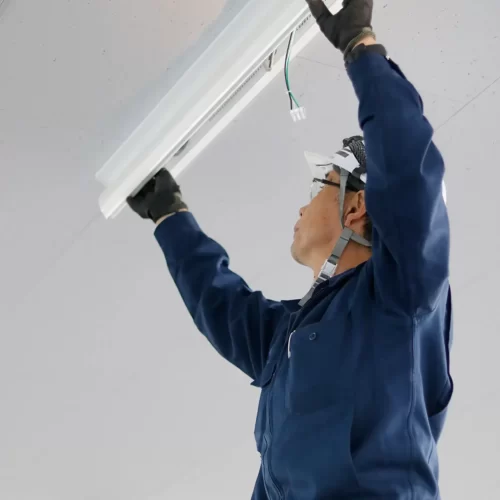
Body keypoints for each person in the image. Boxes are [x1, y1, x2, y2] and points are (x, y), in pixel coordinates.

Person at [128, 0, 454, 498]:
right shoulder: (290, 336)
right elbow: (221, 304)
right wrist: (169, 215)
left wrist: (361, 47)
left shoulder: (399, 298)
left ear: (356, 208)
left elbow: (410, 172)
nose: (302, 209)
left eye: (317, 188)